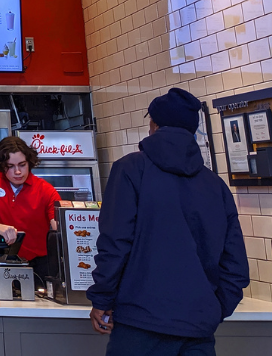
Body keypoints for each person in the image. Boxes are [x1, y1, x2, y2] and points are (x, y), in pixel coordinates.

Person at [87, 88, 249, 354]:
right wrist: (212, 309)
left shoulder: (130, 169)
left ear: (155, 124)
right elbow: (236, 265)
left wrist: (102, 298)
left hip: (139, 325)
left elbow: (115, 243)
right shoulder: (216, 186)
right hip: (198, 330)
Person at [0, 135, 59, 283]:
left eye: (22, 165)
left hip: (36, 265)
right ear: (1, 166)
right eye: (10, 166)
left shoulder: (46, 190)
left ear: (29, 162)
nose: (17, 171)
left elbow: (59, 227)